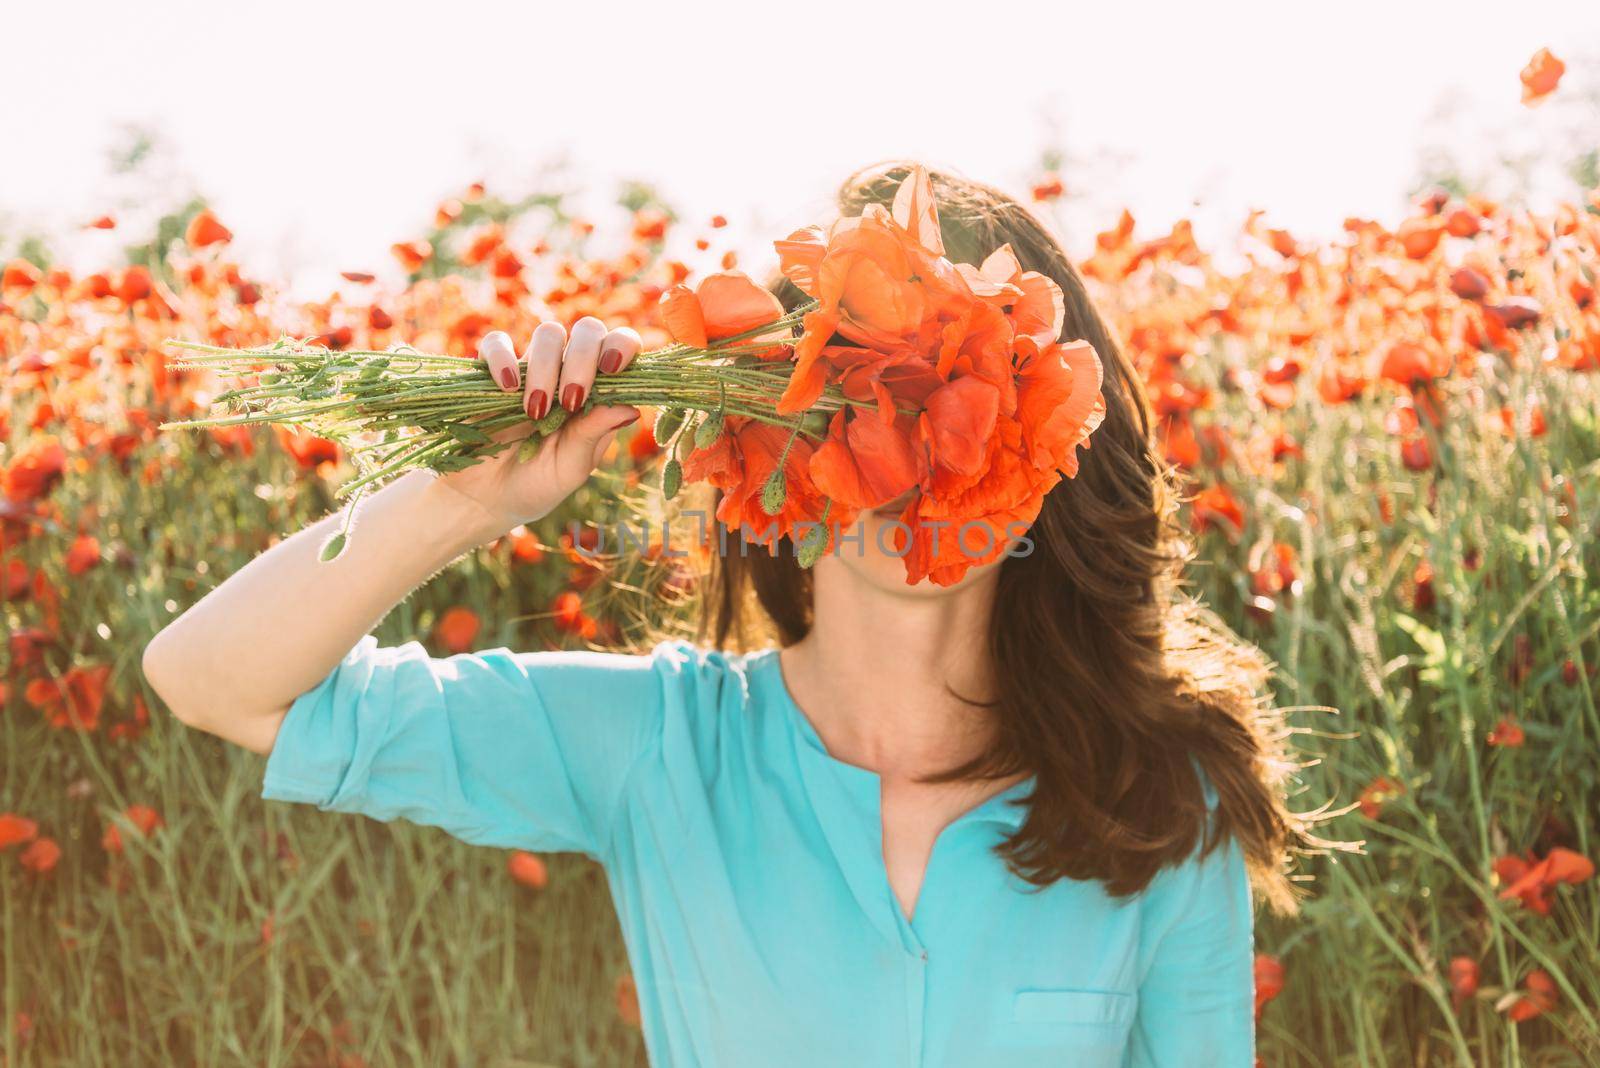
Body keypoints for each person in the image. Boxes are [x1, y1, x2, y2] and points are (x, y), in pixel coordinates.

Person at [143, 162, 1306, 1067]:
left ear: (1053, 446)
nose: (904, 461)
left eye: (947, 399)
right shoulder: (658, 744)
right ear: (773, 440)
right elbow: (210, 680)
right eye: (853, 396)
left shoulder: (1158, 805)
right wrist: (465, 495)